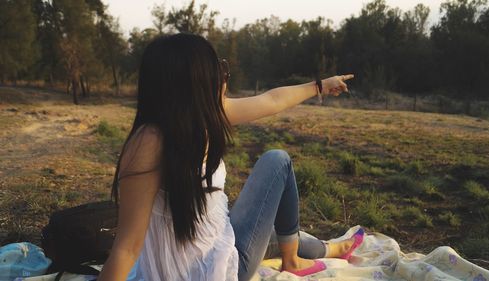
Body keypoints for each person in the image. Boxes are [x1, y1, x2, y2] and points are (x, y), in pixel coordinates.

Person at [96, 33, 361, 281]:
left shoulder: (202, 117)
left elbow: (272, 100)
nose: (224, 77)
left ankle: (328, 249)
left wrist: (320, 86)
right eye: (219, 70)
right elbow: (127, 248)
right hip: (216, 270)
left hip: (216, 244)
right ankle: (293, 260)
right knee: (277, 160)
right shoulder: (149, 143)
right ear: (195, 82)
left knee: (276, 234)